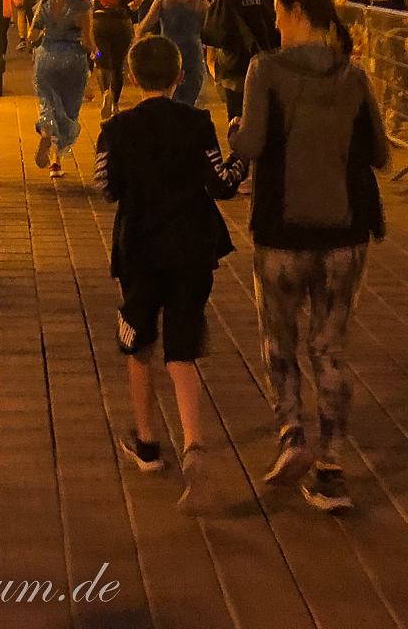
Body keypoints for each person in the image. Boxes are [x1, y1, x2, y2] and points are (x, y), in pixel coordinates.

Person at [228, 0, 388, 514]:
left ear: (296, 11)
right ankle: (332, 465)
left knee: (279, 337)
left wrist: (232, 130)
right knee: (330, 344)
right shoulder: (355, 75)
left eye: (279, 12)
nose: (275, 23)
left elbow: (250, 144)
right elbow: (381, 154)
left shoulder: (265, 70)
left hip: (282, 228)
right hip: (346, 234)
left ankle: (292, 432)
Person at [97, 36, 244, 513]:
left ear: (135, 78)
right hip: (191, 247)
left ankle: (147, 444)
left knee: (139, 343)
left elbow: (107, 188)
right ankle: (194, 444)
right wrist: (243, 157)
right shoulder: (198, 123)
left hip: (139, 248)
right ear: (181, 77)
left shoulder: (116, 129)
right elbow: (222, 184)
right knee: (183, 348)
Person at [32, 0, 96, 179]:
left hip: (46, 59)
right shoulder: (82, 7)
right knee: (68, 110)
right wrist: (98, 56)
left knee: (47, 104)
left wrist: (45, 37)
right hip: (73, 60)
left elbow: (32, 35)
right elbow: (88, 42)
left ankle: (46, 133)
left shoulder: (45, 4)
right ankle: (56, 159)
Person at [202, 0, 280, 122]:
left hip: (234, 70)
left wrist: (213, 64)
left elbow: (212, 34)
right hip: (263, 67)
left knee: (236, 120)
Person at [137, 0, 210, 108]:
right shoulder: (202, 5)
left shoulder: (163, 1)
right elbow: (212, 33)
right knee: (188, 104)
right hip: (193, 58)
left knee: (167, 103)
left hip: (168, 57)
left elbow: (143, 27)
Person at [86, 0, 143, 117]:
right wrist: (132, 6)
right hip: (120, 23)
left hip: (99, 22)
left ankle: (105, 93)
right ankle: (115, 104)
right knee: (118, 65)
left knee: (101, 61)